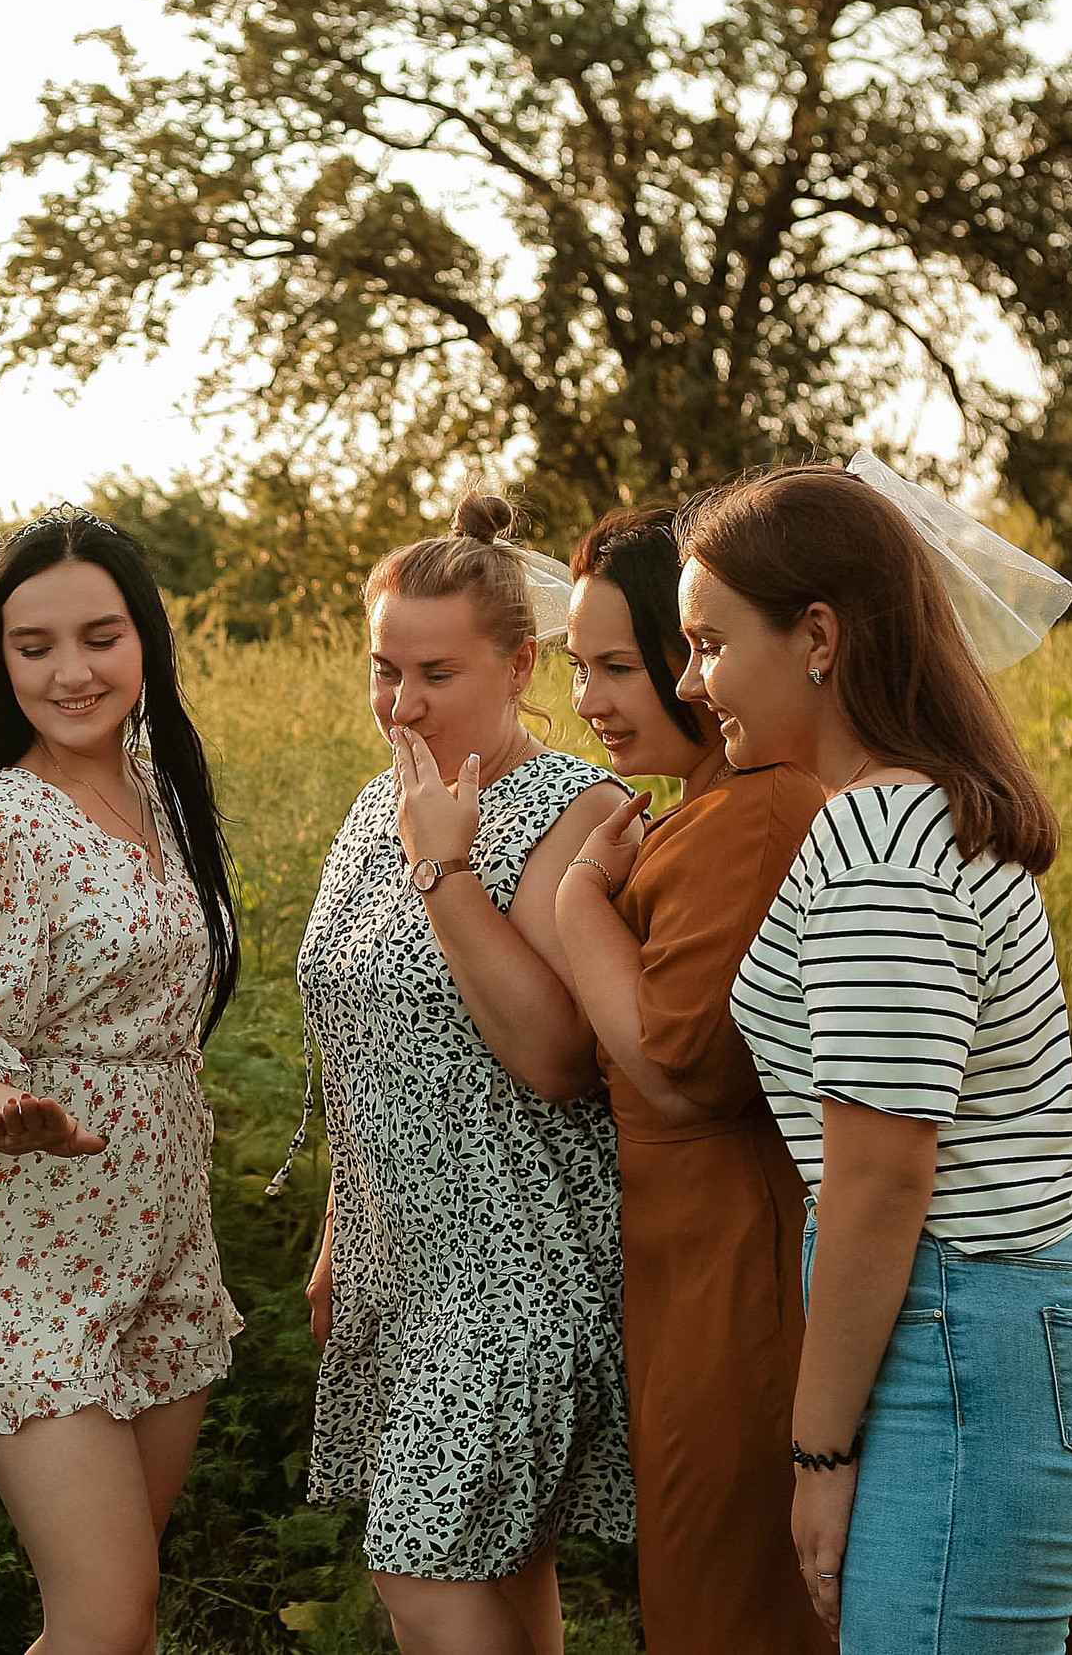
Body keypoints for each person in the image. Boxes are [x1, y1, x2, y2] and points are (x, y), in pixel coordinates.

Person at [558, 504, 1072, 1655]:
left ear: (817, 637)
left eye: (707, 643)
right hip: (984, 1338)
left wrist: (818, 1450)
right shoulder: (903, 816)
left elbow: (882, 1177)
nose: (693, 685)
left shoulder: (874, 855)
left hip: (963, 1347)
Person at [0, 506, 244, 1655]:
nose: (70, 671)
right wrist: (0, 1111)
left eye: (99, 636)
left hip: (161, 1232)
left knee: (124, 1621)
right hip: (26, 1244)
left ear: (145, 641)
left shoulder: (163, 791)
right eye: (33, 646)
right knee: (100, 1614)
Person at [295, 496, 631, 1655]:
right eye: (383, 669)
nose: (402, 703)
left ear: (521, 662)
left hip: (517, 1272)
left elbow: (555, 1057)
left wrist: (445, 870)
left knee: (422, 1578)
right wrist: (345, 1233)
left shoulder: (569, 809)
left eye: (435, 671)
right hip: (405, 1266)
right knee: (502, 1587)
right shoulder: (367, 806)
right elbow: (366, 1041)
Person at [552, 505, 839, 1655]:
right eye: (579, 668)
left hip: (741, 1263)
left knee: (731, 1605)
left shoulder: (757, 808)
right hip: (685, 1263)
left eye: (622, 664)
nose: (592, 700)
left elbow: (679, 1064)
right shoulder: (696, 812)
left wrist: (577, 899)